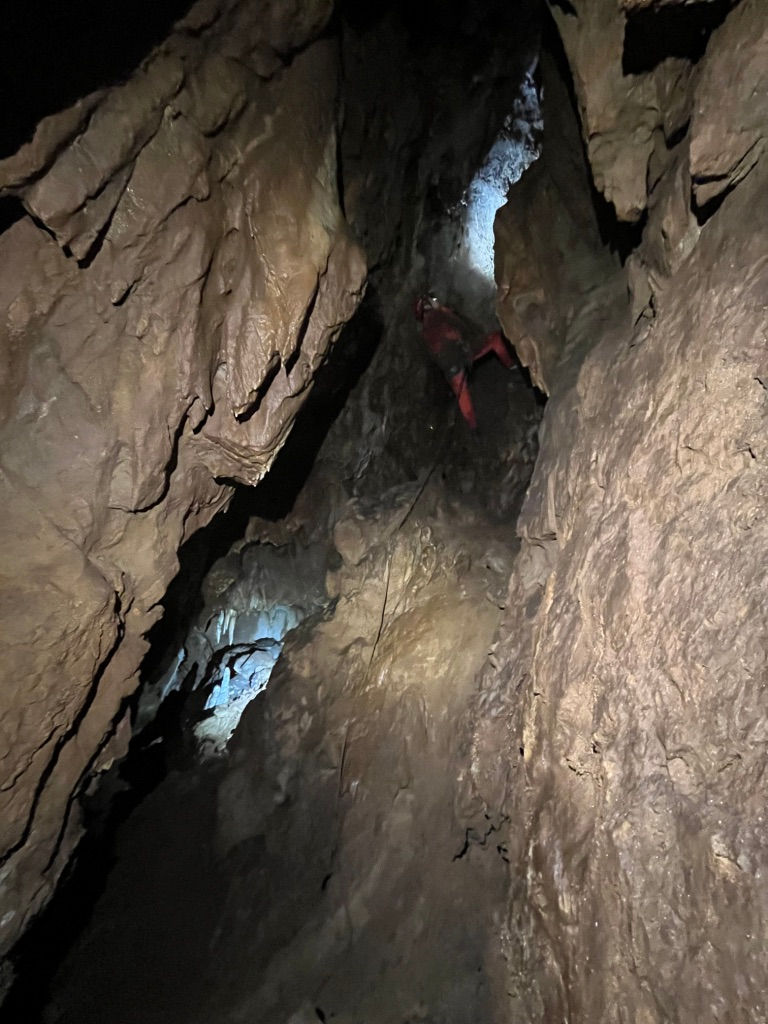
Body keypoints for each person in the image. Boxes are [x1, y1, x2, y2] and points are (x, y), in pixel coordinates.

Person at [414, 294, 513, 428]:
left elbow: (433, 354)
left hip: (449, 364)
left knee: (462, 394)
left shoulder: (425, 332)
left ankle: (473, 426)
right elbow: (456, 329)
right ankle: (511, 366)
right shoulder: (438, 314)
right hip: (461, 352)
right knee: (494, 339)